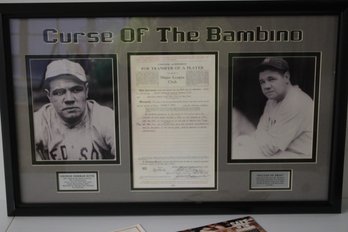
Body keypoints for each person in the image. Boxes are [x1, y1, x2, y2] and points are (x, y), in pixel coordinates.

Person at [34, 59, 116, 161]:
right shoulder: (40, 121)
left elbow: (125, 160)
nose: (69, 99)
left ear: (86, 91)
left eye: (76, 90)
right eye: (59, 92)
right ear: (49, 96)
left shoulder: (105, 118)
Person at [232, 57, 314, 159]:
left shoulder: (296, 101)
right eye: (262, 82)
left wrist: (263, 137)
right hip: (280, 154)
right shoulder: (271, 101)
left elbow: (270, 148)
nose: (266, 86)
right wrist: (263, 137)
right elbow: (259, 131)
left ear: (286, 77)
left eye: (271, 79)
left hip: (300, 159)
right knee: (239, 144)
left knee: (240, 150)